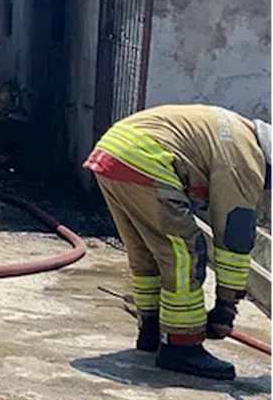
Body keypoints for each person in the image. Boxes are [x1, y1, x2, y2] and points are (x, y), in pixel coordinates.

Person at [84, 105, 272, 380]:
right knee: (186, 253)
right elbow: (235, 235)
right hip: (144, 158)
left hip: (114, 151)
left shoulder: (237, 132)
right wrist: (225, 307)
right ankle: (183, 347)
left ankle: (151, 329)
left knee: (147, 252)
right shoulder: (246, 158)